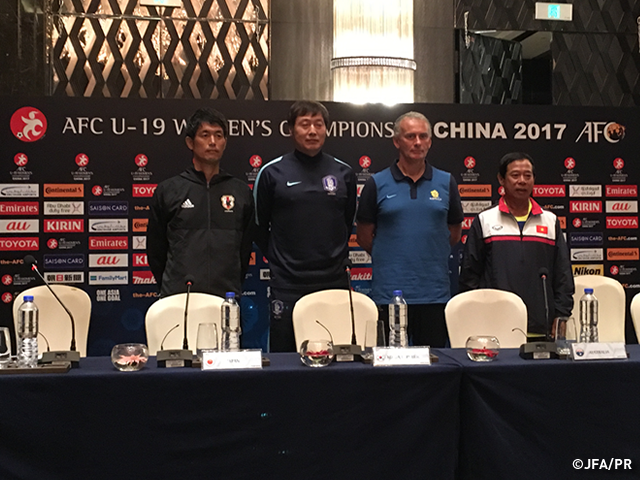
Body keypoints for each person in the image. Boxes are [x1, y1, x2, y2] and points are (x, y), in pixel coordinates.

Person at [254, 100, 357, 352]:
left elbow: (347, 220)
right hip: (288, 284)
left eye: (318, 124)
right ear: (291, 129)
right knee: (286, 359)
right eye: (304, 124)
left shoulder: (344, 173)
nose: (312, 131)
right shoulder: (271, 172)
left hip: (333, 281)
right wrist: (283, 262)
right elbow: (258, 227)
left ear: (326, 129)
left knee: (334, 356)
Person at [356, 111, 463, 347]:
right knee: (390, 368)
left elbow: (454, 233)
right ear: (396, 141)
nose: (417, 142)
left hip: (434, 294)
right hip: (390, 294)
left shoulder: (446, 182)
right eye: (410, 136)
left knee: (435, 367)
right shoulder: (376, 183)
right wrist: (393, 254)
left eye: (423, 136)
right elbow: (364, 236)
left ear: (430, 142)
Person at [458, 152, 574, 337]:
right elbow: (469, 276)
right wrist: (477, 315)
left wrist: (561, 315)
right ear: (501, 179)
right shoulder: (485, 220)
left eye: (528, 176)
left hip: (540, 326)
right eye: (515, 175)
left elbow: (562, 276)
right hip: (494, 324)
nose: (522, 181)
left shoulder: (550, 221)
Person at [148, 108, 254, 298]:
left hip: (225, 297)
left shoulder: (241, 192)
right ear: (190, 142)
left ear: (225, 142)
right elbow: (156, 252)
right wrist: (174, 284)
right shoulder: (169, 190)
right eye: (205, 135)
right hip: (179, 297)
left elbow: (245, 250)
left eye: (218, 135)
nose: (212, 142)